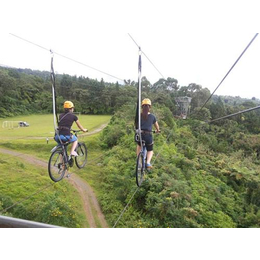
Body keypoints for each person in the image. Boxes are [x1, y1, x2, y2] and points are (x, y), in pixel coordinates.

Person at [136, 98, 160, 169]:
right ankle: (148, 163)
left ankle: (139, 161)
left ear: (142, 107)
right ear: (150, 107)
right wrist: (158, 130)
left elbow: (136, 124)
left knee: (139, 146)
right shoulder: (152, 116)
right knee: (150, 150)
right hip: (148, 136)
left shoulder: (139, 116)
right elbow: (157, 126)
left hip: (140, 135)